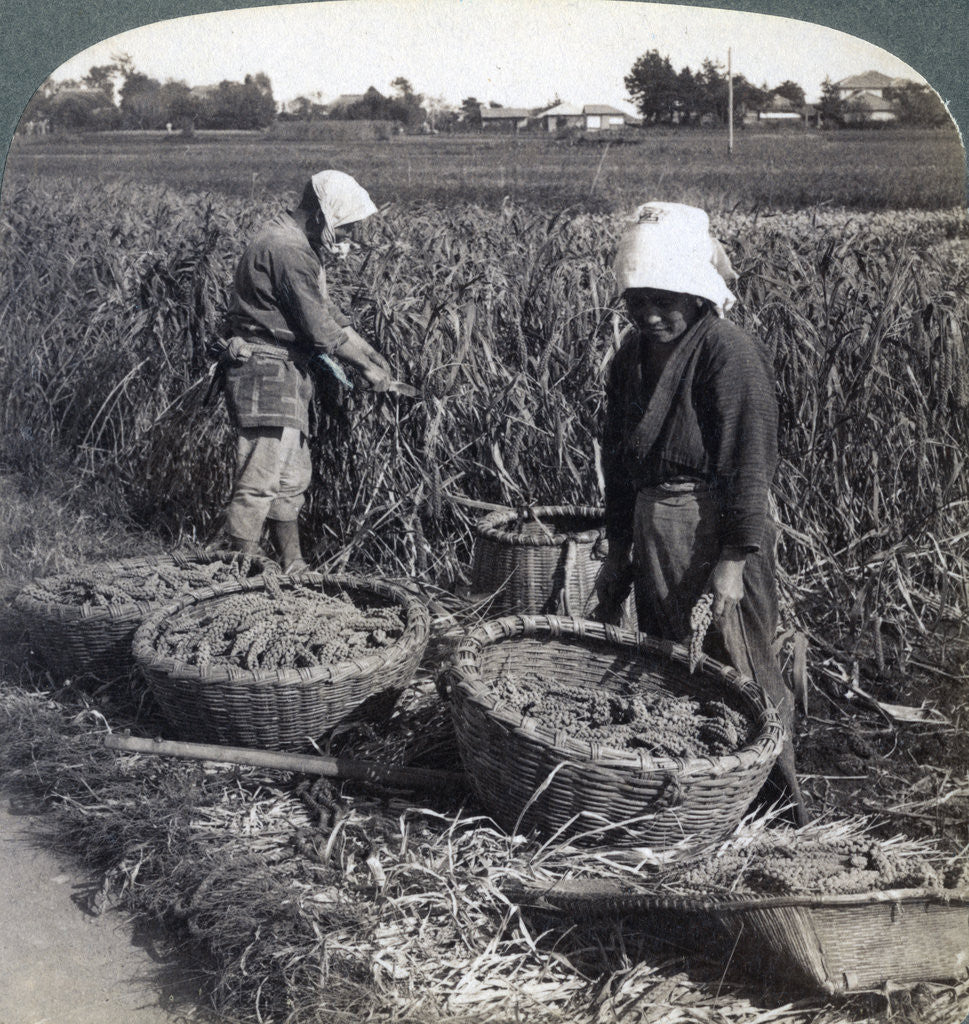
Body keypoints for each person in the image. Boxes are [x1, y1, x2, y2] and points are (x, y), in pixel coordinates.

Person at [594, 201, 809, 826]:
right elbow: (618, 460)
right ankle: (700, 803)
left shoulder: (726, 351)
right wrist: (619, 550)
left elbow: (749, 460)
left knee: (740, 661)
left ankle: (777, 805)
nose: (649, 315)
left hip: (712, 526)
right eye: (637, 302)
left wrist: (734, 561)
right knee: (674, 662)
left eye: (665, 301)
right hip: (653, 524)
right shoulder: (630, 357)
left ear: (696, 295)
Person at [212, 170, 394, 571]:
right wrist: (367, 370)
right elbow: (319, 328)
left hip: (287, 373)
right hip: (266, 372)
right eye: (344, 226)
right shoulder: (287, 249)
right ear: (320, 216)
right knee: (259, 476)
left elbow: (327, 313)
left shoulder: (295, 243)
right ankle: (238, 568)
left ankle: (293, 564)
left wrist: (372, 355)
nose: (347, 236)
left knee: (290, 478)